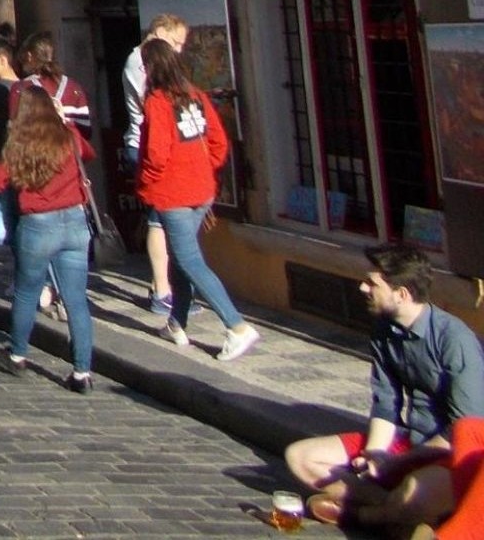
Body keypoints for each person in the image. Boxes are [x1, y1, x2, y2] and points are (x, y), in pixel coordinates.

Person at [285, 245, 484, 532]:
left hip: (446, 452)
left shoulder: (454, 339)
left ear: (402, 294)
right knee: (301, 457)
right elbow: (385, 400)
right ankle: (399, 513)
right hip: (406, 442)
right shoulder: (383, 328)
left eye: (373, 283)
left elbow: (465, 429)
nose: (363, 287)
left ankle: (361, 516)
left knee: (414, 490)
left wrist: (397, 462)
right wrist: (377, 453)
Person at [136, 38, 261, 363]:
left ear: (150, 67)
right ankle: (177, 323)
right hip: (201, 190)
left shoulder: (158, 101)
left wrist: (147, 182)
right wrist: (204, 169)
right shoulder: (196, 96)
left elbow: (156, 154)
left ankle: (236, 326)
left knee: (190, 260)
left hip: (172, 193)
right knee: (182, 256)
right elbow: (219, 141)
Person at [0, 88, 97, 393]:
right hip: (74, 221)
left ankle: (18, 354)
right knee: (76, 300)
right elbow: (88, 153)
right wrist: (67, 123)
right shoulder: (66, 137)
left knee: (26, 293)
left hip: (38, 223)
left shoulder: (19, 144)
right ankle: (82, 372)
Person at [122, 13, 189, 315]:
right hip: (146, 145)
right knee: (158, 219)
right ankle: (162, 291)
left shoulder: (153, 61)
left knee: (164, 219)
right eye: (175, 42)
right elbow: (150, 102)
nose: (178, 50)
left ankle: (168, 286)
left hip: (160, 144)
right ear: (159, 31)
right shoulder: (138, 62)